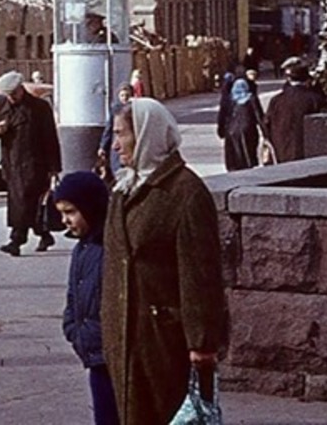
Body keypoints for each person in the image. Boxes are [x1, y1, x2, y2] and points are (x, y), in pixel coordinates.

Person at [102, 97, 227, 425]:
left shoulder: (185, 192)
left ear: (146, 134)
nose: (115, 145)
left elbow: (200, 274)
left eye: (121, 134)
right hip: (125, 336)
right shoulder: (124, 188)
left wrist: (202, 343)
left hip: (163, 342)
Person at [54, 170, 118, 425]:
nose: (65, 221)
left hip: (112, 353)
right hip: (93, 351)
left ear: (90, 208)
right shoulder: (82, 249)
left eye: (70, 212)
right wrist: (72, 328)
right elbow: (74, 295)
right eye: (61, 213)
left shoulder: (110, 248)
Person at [0, 71, 62, 256]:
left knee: (24, 201)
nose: (11, 98)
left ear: (21, 89)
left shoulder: (39, 107)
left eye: (14, 93)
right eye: (8, 94)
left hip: (35, 163)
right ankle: (43, 233)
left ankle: (16, 240)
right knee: (24, 203)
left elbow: (50, 138)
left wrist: (54, 167)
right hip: (11, 163)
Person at [265, 57, 327, 163]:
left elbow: (266, 125)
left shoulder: (276, 100)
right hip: (308, 157)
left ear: (289, 79)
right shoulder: (315, 99)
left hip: (281, 154)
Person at [216, 72, 268, 172]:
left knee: (234, 159)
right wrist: (266, 134)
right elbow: (259, 117)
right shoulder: (251, 98)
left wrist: (221, 130)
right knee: (248, 157)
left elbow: (222, 115)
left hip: (231, 132)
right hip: (248, 130)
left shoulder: (230, 100)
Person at [96, 84, 133, 182]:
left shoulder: (134, 109)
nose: (124, 98)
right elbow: (109, 128)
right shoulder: (115, 110)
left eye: (127, 95)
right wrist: (103, 146)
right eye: (122, 95)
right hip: (117, 143)